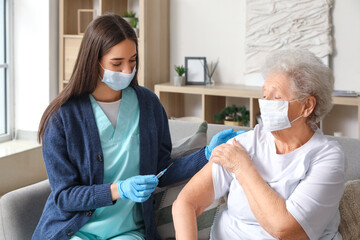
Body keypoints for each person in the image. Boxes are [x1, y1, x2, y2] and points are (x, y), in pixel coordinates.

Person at [33, 14, 237, 240]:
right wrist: (118, 189)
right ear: (94, 61)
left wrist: (207, 154)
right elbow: (64, 197)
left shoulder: (148, 105)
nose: (127, 70)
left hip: (127, 231)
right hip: (76, 231)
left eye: (132, 60)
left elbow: (162, 168)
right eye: (116, 63)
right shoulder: (62, 117)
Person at [172, 49, 346, 240]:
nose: (266, 104)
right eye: (265, 96)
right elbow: (186, 202)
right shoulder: (247, 142)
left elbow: (286, 230)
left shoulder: (327, 157)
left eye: (277, 97)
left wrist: (242, 168)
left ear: (307, 106)